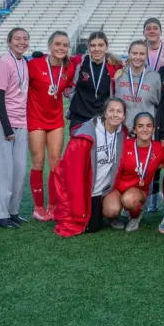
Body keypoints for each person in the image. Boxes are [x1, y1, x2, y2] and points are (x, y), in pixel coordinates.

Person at [53, 98, 129, 236]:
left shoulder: (122, 134)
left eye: (119, 111)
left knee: (107, 213)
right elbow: (71, 173)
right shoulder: (86, 134)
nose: (115, 115)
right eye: (111, 110)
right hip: (86, 190)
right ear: (104, 113)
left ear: (124, 116)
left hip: (104, 191)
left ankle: (104, 210)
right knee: (91, 227)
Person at [27, 31, 73, 222]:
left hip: (56, 120)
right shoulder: (34, 64)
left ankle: (53, 206)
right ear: (50, 45)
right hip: (36, 118)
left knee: (56, 163)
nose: (61, 48)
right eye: (57, 44)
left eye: (64, 45)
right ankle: (38, 207)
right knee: (38, 162)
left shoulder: (68, 67)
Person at [0, 28, 30, 228]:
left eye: (25, 39)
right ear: (9, 41)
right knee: (3, 171)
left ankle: (13, 211)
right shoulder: (4, 63)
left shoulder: (25, 61)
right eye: (17, 39)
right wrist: (7, 127)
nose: (21, 42)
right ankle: (0, 215)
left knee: (19, 170)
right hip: (3, 124)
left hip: (21, 123)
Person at [112, 112, 164, 232]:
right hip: (118, 188)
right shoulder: (124, 145)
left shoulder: (159, 148)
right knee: (110, 210)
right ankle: (115, 215)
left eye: (148, 126)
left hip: (139, 189)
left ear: (153, 129)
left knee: (129, 200)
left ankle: (136, 215)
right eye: (140, 126)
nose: (145, 129)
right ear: (134, 130)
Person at [67, 31, 122, 130]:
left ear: (106, 46)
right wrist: (42, 57)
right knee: (78, 145)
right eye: (93, 45)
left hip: (104, 118)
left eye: (101, 45)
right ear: (88, 47)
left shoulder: (115, 66)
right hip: (79, 118)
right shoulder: (79, 62)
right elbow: (60, 60)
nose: (97, 49)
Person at [113, 40, 162, 131]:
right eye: (134, 53)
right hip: (123, 129)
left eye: (142, 54)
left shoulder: (155, 77)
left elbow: (159, 103)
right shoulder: (119, 75)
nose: (138, 57)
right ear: (129, 54)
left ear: (147, 55)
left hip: (145, 130)